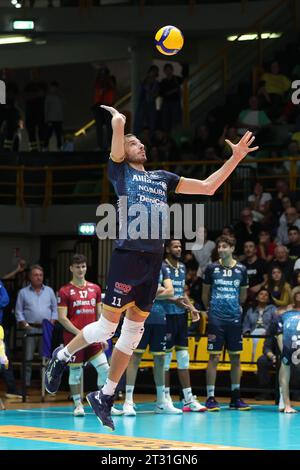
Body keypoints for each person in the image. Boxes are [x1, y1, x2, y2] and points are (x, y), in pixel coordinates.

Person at [45, 104, 258, 431]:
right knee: (106, 329)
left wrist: (235, 159)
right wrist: (118, 125)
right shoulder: (121, 172)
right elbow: (116, 153)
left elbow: (207, 187)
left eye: (139, 142)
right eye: (134, 143)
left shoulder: (162, 178)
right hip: (128, 257)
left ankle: (106, 394)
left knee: (131, 336)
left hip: (152, 263)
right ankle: (60, 358)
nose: (140, 145)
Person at [57, 254, 122, 417]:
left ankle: (105, 403)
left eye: (83, 266)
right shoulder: (65, 291)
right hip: (73, 338)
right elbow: (62, 318)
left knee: (105, 370)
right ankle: (78, 405)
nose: (81, 270)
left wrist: (103, 337)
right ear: (71, 268)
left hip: (93, 338)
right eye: (77, 267)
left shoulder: (95, 289)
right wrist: (81, 334)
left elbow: (101, 316)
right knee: (75, 373)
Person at [123, 262, 182, 415]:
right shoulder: (135, 265)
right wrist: (158, 290)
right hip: (139, 317)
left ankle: (161, 402)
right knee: (135, 357)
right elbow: (132, 291)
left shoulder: (161, 267)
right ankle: (128, 401)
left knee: (160, 359)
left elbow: (171, 291)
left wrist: (148, 293)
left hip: (159, 318)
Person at [202, 236, 251, 411]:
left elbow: (243, 296)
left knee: (235, 357)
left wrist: (236, 308)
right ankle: (210, 397)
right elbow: (205, 294)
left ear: (232, 248)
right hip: (216, 318)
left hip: (234, 319)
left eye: (224, 246)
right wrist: (211, 310)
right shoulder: (211, 268)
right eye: (219, 247)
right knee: (214, 357)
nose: (220, 249)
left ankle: (235, 397)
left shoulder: (242, 269)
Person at [162, 239, 207, 412]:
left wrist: (192, 308)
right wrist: (175, 301)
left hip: (181, 317)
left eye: (180, 246)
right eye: (175, 246)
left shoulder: (182, 267)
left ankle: (188, 399)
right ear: (167, 249)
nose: (179, 249)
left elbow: (182, 292)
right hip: (166, 316)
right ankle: (165, 398)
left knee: (183, 358)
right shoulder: (162, 267)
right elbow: (157, 293)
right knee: (165, 360)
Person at [15, 265, 57, 388]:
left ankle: (45, 386)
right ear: (30, 277)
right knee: (27, 358)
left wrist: (52, 322)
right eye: (36, 275)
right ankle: (26, 385)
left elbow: (55, 310)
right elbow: (18, 311)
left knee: (46, 358)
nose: (39, 277)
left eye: (41, 275)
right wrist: (25, 325)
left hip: (46, 329)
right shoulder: (23, 292)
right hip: (30, 328)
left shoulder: (49, 291)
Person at [269, 291, 300, 412]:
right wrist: (284, 350)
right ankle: (286, 404)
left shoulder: (284, 314)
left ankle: (286, 405)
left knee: (285, 366)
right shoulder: (284, 314)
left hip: (292, 343)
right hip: (289, 343)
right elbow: (278, 334)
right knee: (285, 366)